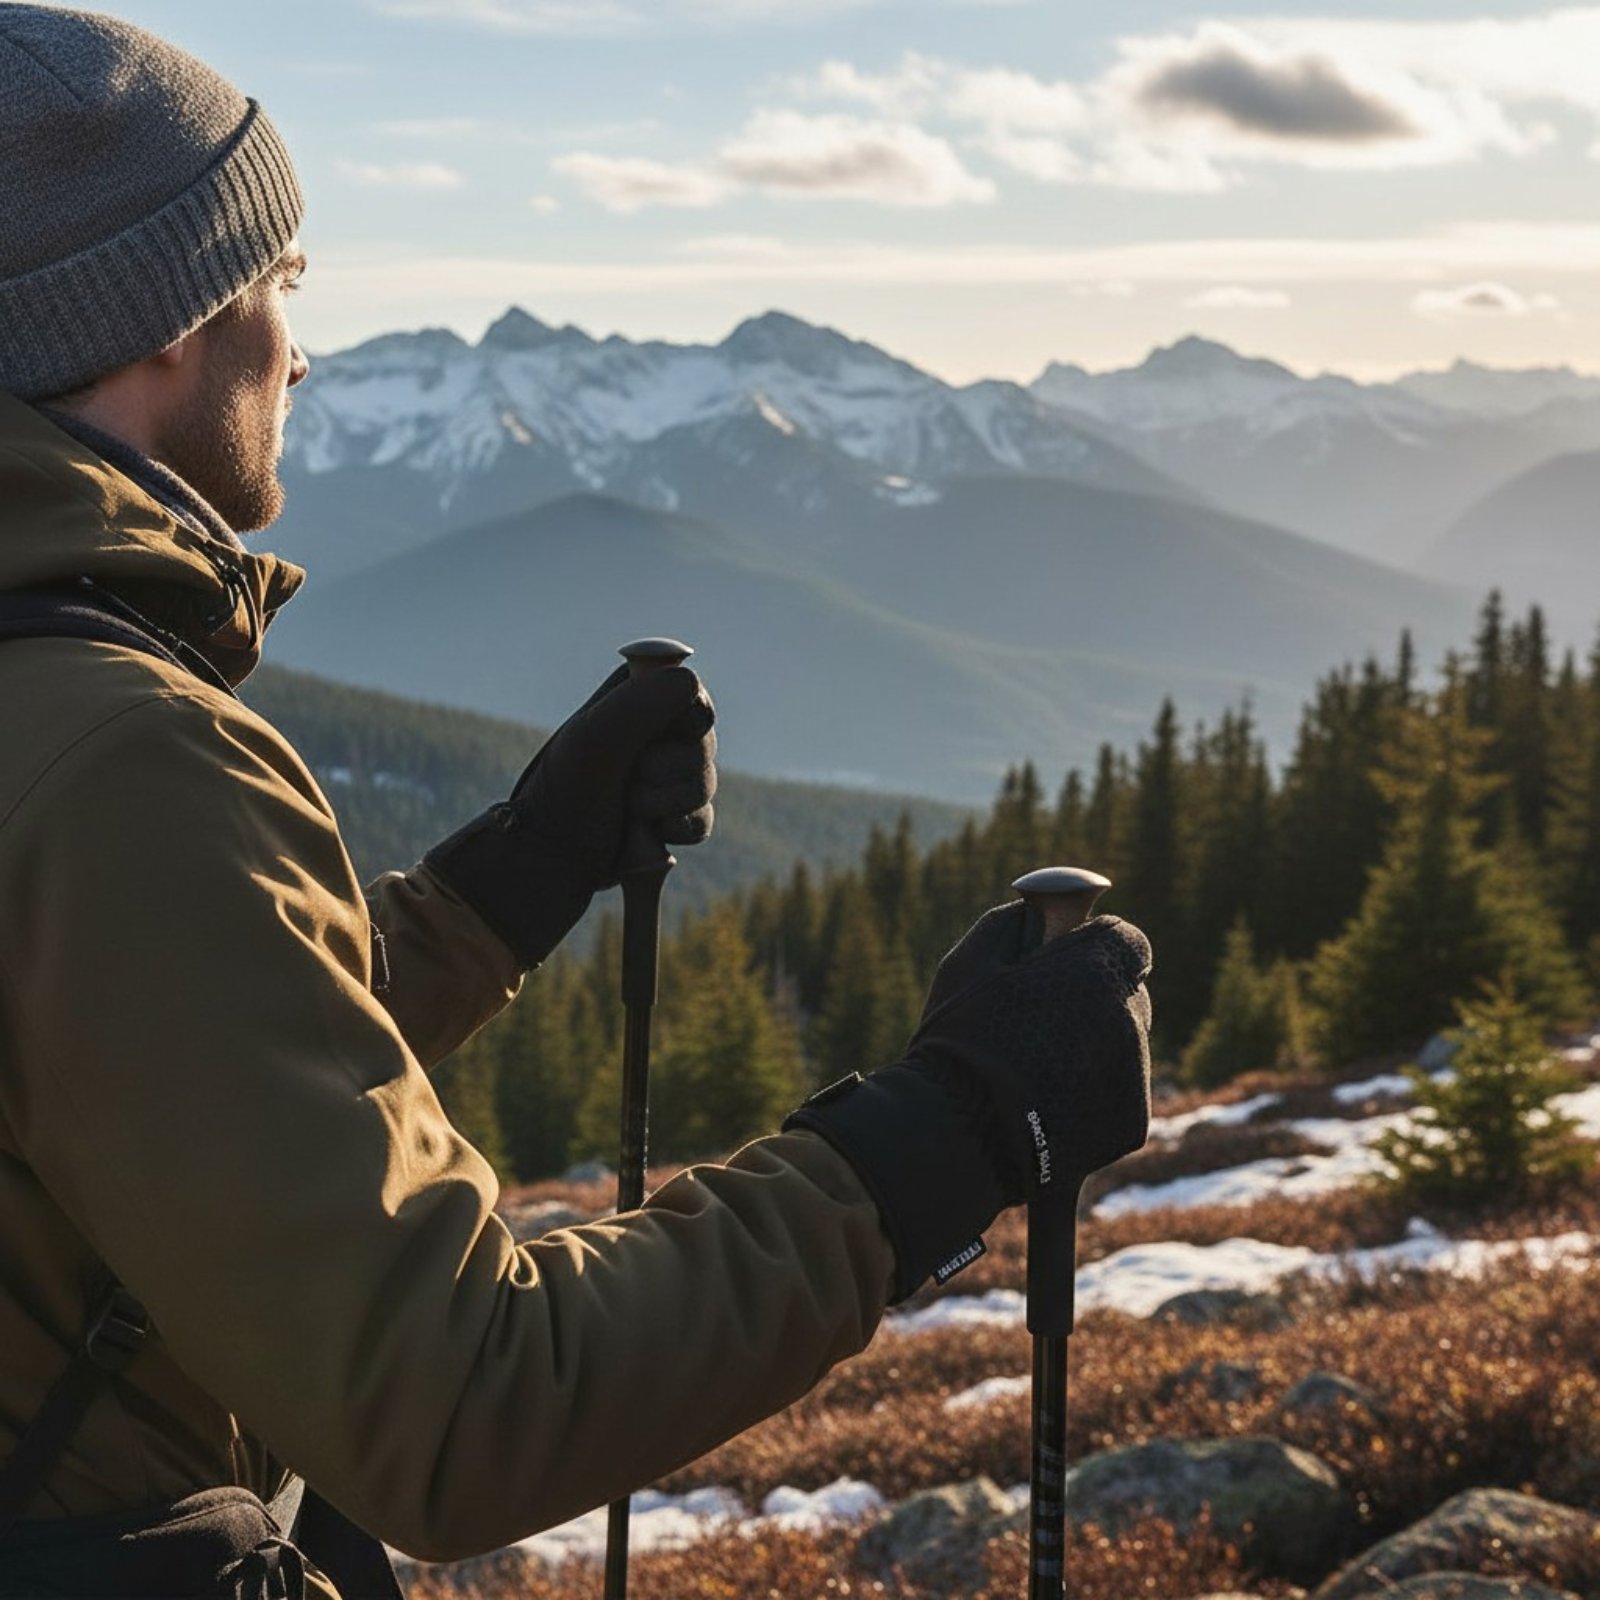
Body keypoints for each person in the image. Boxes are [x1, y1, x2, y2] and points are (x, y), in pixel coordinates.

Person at [0, 7, 1155, 1597]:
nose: (302, 348)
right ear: (164, 316)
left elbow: (133, 1056)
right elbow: (464, 1404)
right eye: (282, 281)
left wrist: (514, 879)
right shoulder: (123, 759)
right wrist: (947, 1131)